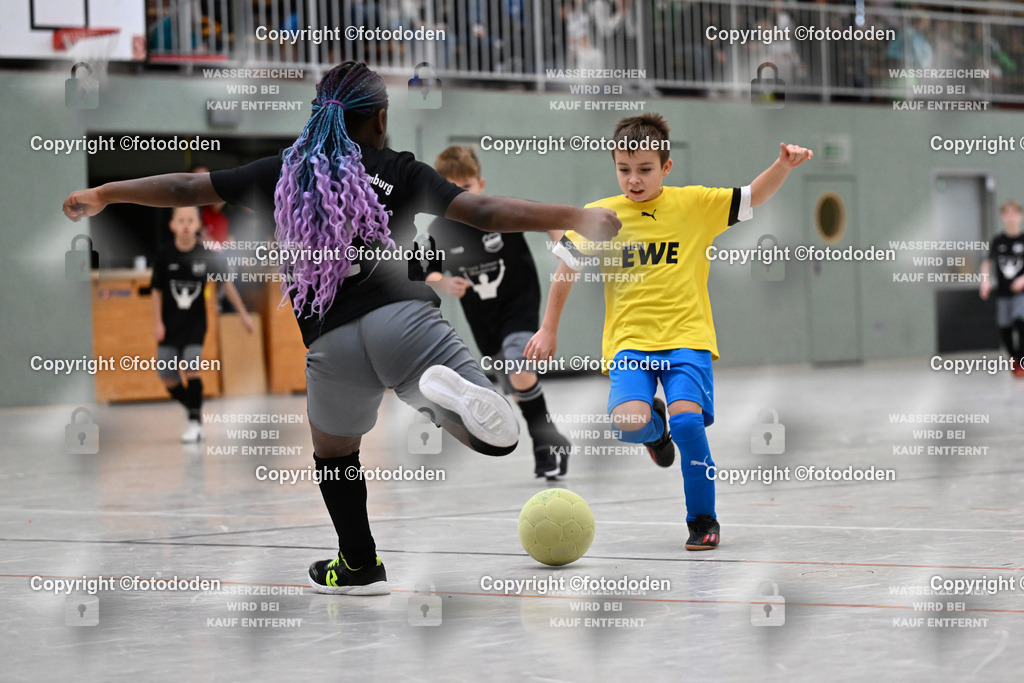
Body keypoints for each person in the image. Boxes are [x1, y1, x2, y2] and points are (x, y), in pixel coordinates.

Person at [62, 61, 619, 595]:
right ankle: (445, 397)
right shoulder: (399, 169)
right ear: (380, 118)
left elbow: (188, 189)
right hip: (405, 322)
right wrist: (574, 216)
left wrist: (104, 194)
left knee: (334, 454)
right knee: (495, 434)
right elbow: (486, 212)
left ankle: (358, 562)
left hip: (331, 345)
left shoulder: (283, 171)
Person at [525, 113, 811, 551]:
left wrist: (782, 166)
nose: (633, 180)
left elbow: (752, 196)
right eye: (624, 169)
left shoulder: (695, 204)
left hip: (687, 340)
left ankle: (702, 519)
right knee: (628, 423)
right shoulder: (600, 216)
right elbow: (566, 270)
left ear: (666, 167)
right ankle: (655, 433)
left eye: (645, 169)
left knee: (689, 423)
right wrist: (548, 328)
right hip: (629, 344)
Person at [425, 145, 572, 480]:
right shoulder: (437, 230)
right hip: (483, 320)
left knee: (518, 364)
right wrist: (444, 282)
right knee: (518, 390)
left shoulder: (502, 212)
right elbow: (426, 272)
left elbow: (551, 218)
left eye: (466, 186)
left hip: (519, 305)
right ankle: (553, 436)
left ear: (481, 184)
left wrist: (563, 246)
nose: (461, 195)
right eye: (451, 188)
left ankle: (543, 445)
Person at [151, 206, 254, 442]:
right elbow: (156, 291)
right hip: (169, 325)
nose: (186, 224)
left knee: (192, 368)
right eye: (181, 220)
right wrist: (157, 323)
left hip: (195, 325)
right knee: (167, 375)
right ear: (172, 225)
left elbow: (226, 284)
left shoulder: (206, 255)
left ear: (198, 224)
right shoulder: (164, 255)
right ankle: (193, 407)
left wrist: (243, 314)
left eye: (191, 220)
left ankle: (194, 423)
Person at [979, 200, 1024, 377]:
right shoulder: (998, 241)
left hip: (1021, 293)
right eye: (1007, 213)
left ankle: (1021, 360)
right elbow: (987, 263)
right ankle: (1014, 357)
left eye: (1014, 213)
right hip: (1003, 293)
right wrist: (985, 282)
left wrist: (1022, 280)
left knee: (1021, 321)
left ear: (1020, 216)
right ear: (1003, 217)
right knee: (1005, 328)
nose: (1011, 217)